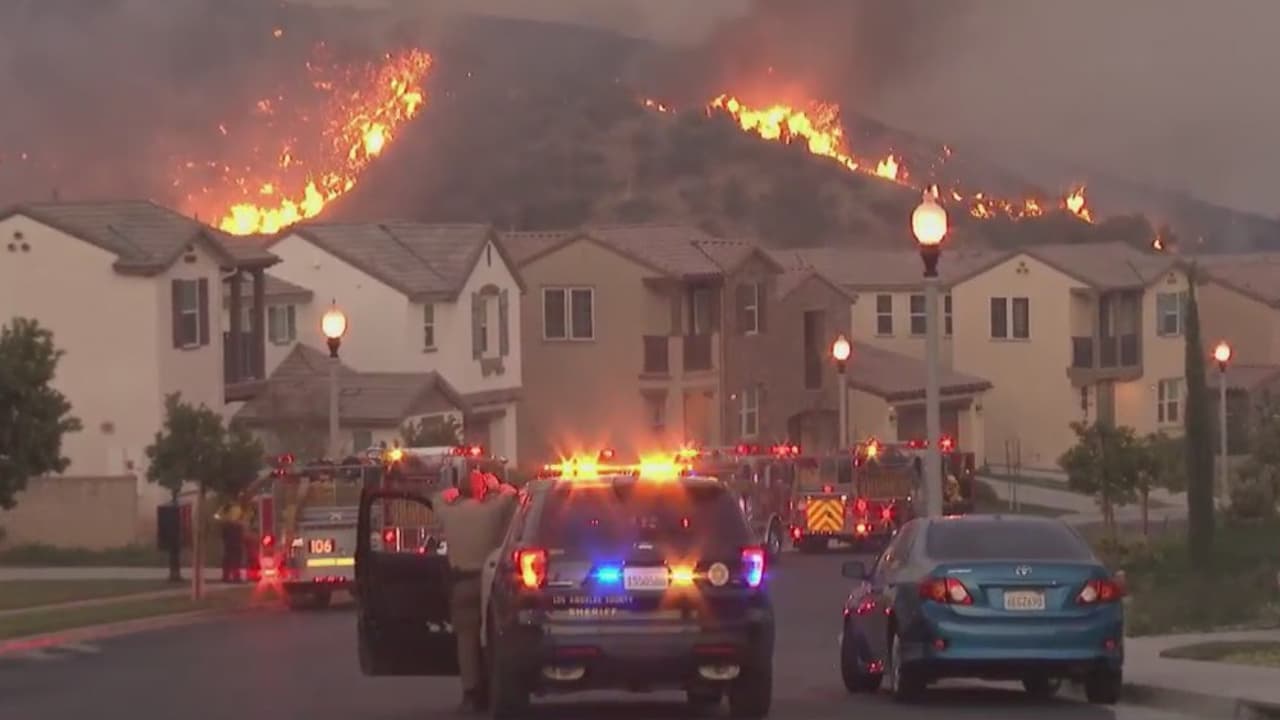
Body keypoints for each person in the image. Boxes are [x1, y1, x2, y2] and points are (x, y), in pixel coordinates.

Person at [434, 468, 518, 712]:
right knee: (491, 638)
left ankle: (471, 694)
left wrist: (455, 492)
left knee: (466, 642)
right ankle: (494, 690)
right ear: (481, 489)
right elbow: (511, 493)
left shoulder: (449, 513)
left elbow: (437, 499)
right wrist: (495, 484)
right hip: (489, 584)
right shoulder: (491, 510)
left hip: (461, 583)